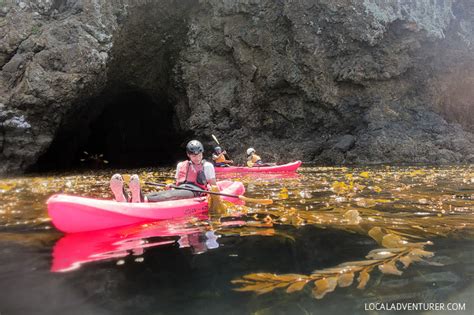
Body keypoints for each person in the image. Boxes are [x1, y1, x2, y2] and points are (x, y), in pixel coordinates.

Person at [110, 140, 218, 203]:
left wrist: (210, 191)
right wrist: (171, 185)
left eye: (199, 155)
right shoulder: (181, 165)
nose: (197, 158)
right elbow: (177, 183)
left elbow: (214, 186)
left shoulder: (207, 166)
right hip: (180, 188)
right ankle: (129, 198)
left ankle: (142, 199)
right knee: (165, 193)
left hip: (196, 191)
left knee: (170, 196)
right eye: (194, 155)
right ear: (188, 155)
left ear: (202, 153)